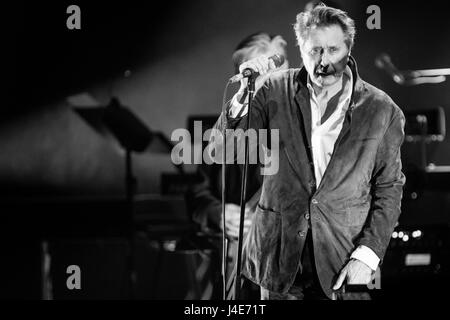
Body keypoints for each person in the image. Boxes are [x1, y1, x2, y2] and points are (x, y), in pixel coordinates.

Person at [208, 4, 406, 300]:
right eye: (314, 51)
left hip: (343, 260)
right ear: (301, 49)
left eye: (333, 50)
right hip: (279, 264)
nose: (323, 61)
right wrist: (242, 95)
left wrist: (367, 256)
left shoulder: (381, 110)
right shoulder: (274, 89)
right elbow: (222, 148)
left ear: (348, 49)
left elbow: (389, 188)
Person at [186, 32, 289, 299]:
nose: (264, 83)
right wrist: (218, 213)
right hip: (237, 266)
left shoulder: (304, 129)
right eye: (254, 76)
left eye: (271, 72)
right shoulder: (223, 133)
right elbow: (195, 196)